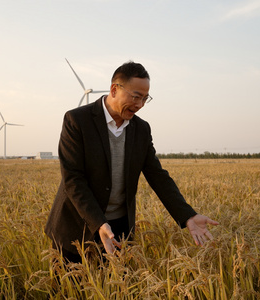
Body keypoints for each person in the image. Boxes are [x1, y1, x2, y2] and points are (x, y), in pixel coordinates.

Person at [45, 61, 219, 263]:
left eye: (145, 99)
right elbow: (73, 179)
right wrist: (99, 222)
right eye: (136, 97)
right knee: (69, 290)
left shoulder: (141, 129)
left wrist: (187, 215)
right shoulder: (77, 120)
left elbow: (157, 176)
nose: (140, 105)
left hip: (119, 230)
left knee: (116, 288)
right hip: (76, 228)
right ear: (114, 90)